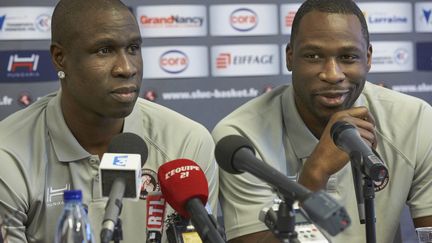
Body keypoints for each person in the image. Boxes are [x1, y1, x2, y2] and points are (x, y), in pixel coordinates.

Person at [212, 0, 432, 242]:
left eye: (348, 57)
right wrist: (315, 174)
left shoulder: (414, 120)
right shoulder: (241, 138)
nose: (332, 74)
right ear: (290, 57)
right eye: (314, 56)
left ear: (368, 58)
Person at [0, 0, 219, 242]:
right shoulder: (7, 152)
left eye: (133, 48)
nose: (127, 68)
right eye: (104, 50)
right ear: (60, 58)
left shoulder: (186, 143)